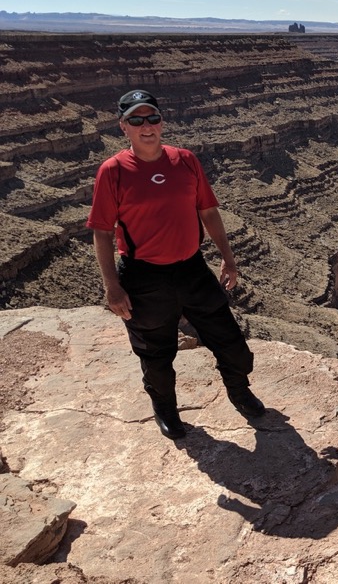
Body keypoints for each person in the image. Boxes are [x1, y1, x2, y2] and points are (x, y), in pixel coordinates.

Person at [86, 89, 265, 440]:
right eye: (136, 120)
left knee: (231, 342)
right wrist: (112, 286)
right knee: (156, 355)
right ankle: (165, 409)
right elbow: (103, 233)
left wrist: (228, 259)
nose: (146, 126)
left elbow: (209, 212)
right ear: (124, 127)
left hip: (192, 268)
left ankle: (239, 391)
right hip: (143, 276)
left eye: (152, 117)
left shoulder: (184, 160)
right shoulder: (113, 171)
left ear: (162, 122)